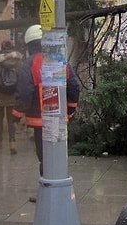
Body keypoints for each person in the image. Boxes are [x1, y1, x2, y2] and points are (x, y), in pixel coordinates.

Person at [12, 25, 79, 176]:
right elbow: (74, 86)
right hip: (60, 119)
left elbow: (24, 92)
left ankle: (48, 191)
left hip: (40, 122)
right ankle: (60, 187)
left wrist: (16, 115)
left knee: (44, 157)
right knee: (58, 154)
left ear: (29, 45)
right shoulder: (60, 60)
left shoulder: (29, 64)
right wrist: (70, 110)